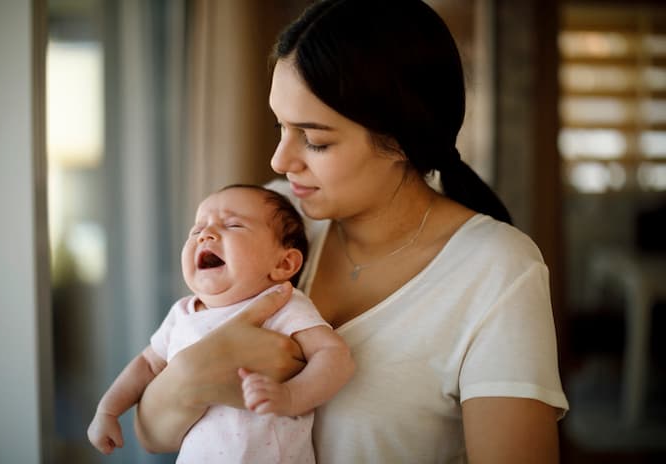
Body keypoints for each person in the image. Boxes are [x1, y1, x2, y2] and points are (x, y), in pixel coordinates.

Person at [134, 1, 570, 462]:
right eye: (280, 125)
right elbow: (152, 433)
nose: (280, 161)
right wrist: (192, 373)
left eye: (316, 140)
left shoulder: (497, 271)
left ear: (402, 139)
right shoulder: (274, 220)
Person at [87, 184, 354, 463]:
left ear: (284, 264)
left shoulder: (282, 304)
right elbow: (147, 364)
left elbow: (335, 356)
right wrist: (108, 410)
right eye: (196, 229)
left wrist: (290, 396)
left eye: (233, 225)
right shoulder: (183, 313)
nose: (206, 235)